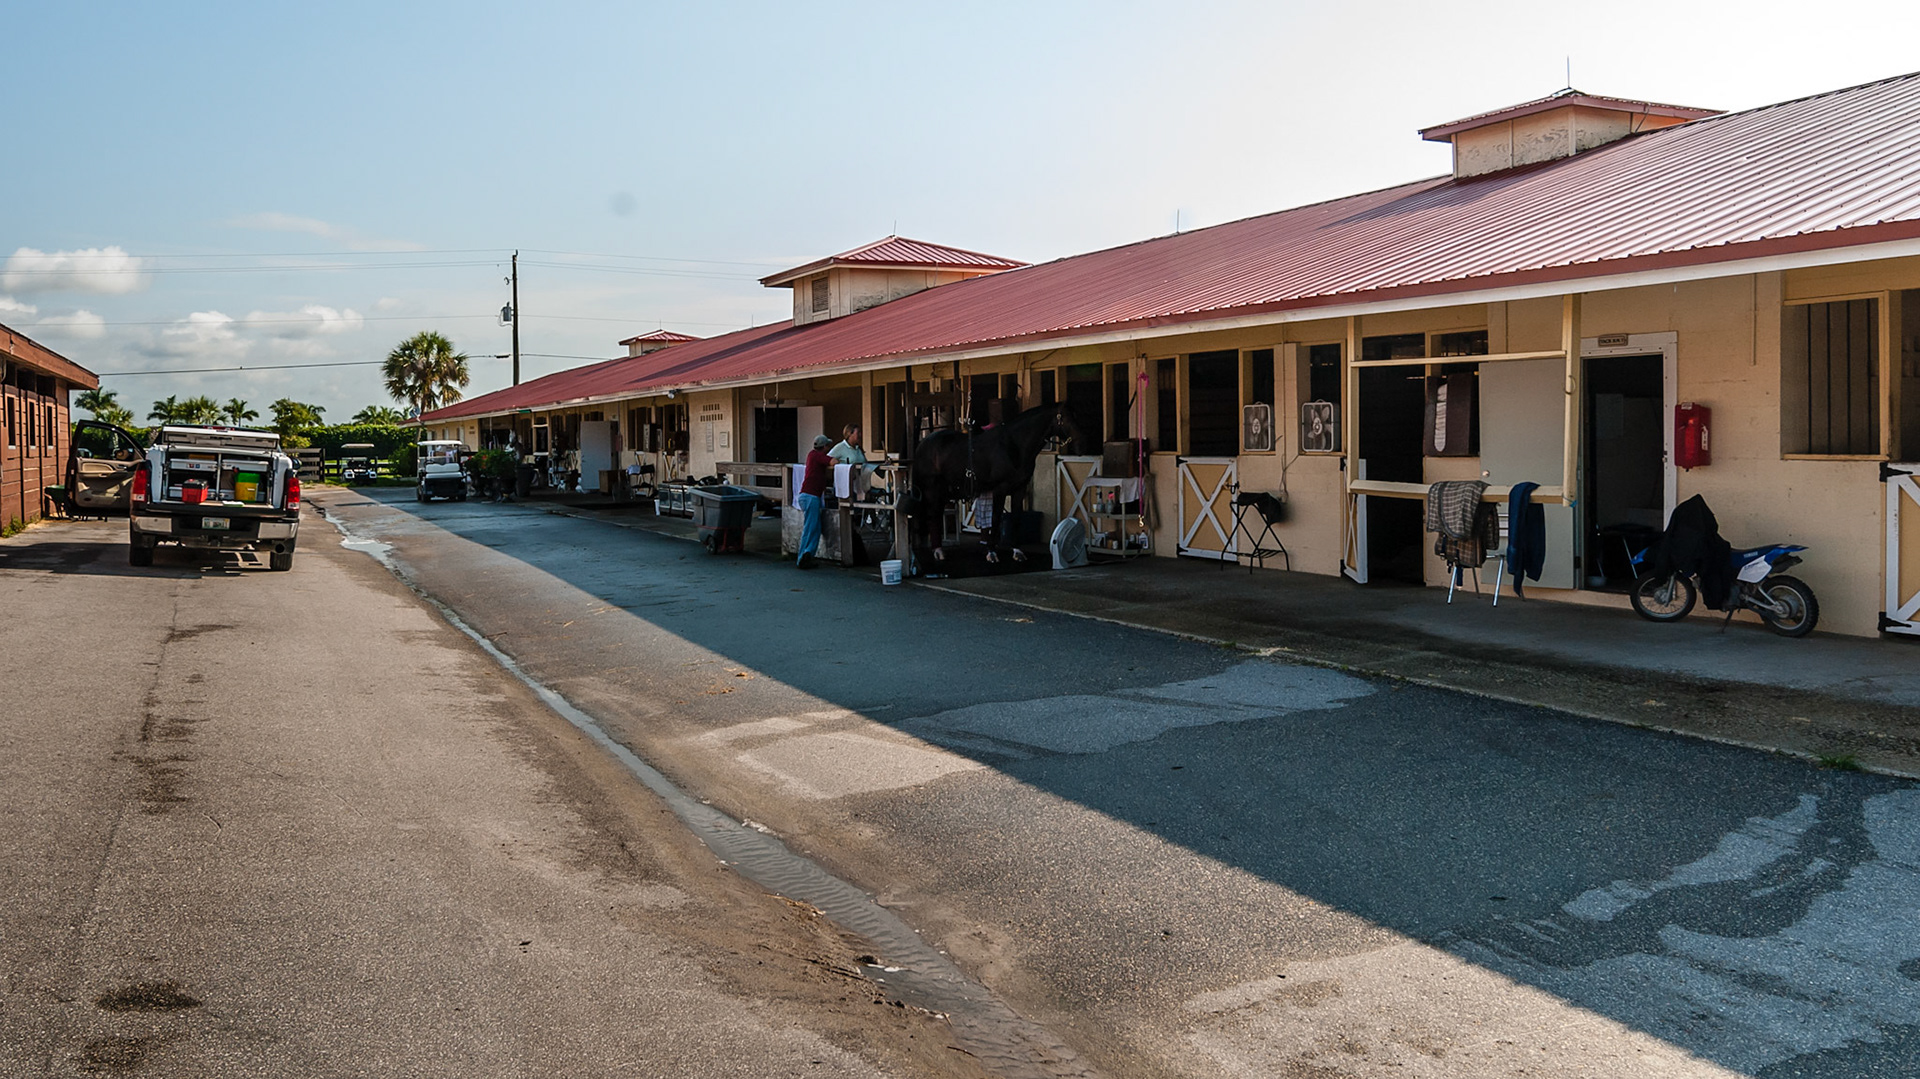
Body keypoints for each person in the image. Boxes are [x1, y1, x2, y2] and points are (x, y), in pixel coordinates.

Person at [795, 434, 834, 568]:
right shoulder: (817, 456)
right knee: (810, 528)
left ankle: (808, 555)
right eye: (828, 446)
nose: (829, 448)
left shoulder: (812, 455)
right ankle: (803, 557)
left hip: (808, 495)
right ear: (824, 447)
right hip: (811, 496)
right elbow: (833, 462)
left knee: (815, 528)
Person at [828, 423, 868, 498]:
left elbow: (865, 463)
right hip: (846, 485)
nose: (860, 435)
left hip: (859, 485)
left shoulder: (858, 448)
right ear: (850, 434)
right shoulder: (840, 447)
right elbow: (827, 459)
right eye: (858, 433)